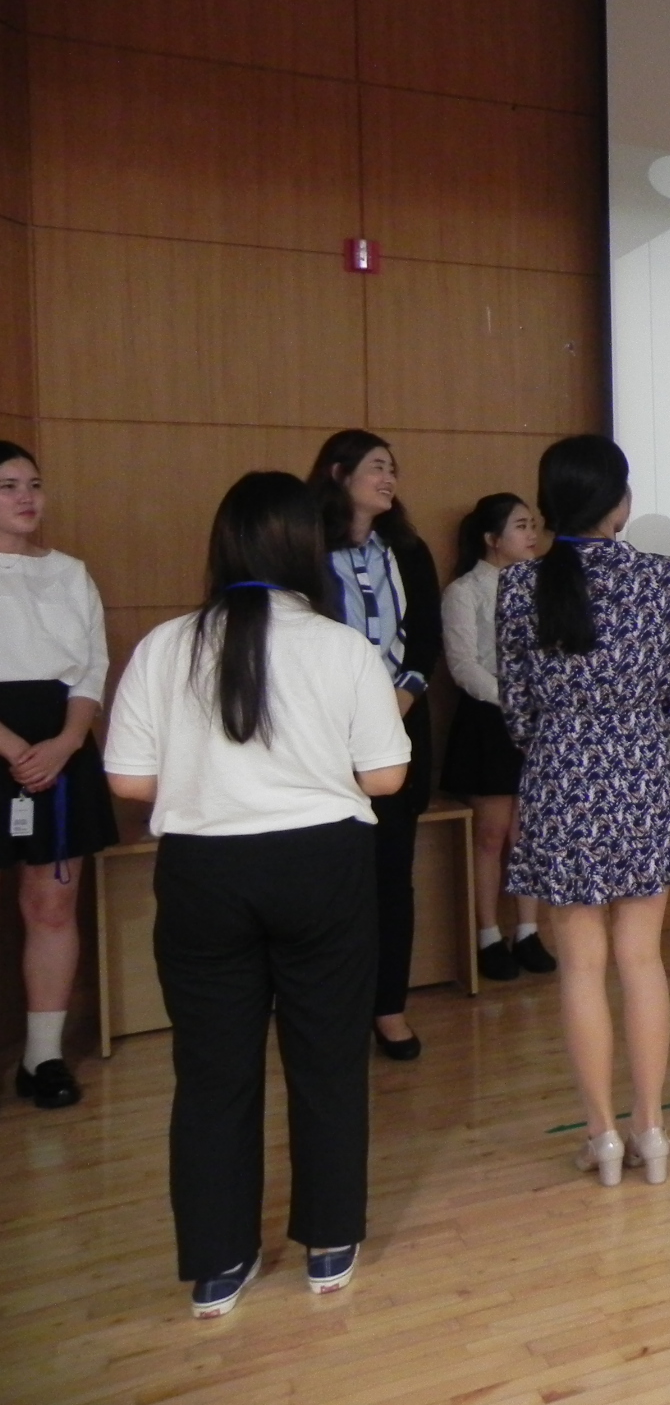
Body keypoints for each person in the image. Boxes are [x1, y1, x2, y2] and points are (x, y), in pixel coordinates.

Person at [103, 472, 412, 1317]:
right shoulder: (342, 647)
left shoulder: (166, 645)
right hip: (321, 867)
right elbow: (386, 776)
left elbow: (128, 781)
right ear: (306, 549)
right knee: (327, 1060)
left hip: (203, 873)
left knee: (211, 1072)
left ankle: (218, 1264)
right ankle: (329, 1243)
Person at [499, 435, 670, 1187]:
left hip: (559, 780)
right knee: (641, 959)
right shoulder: (661, 577)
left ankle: (603, 1137)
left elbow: (517, 710)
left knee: (580, 966)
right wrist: (633, 732)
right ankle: (652, 1129)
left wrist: (566, 738)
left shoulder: (520, 585)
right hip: (642, 774)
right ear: (619, 501)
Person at [307, 431, 442, 1061]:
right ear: (339, 474)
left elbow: (426, 637)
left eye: (393, 469)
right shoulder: (305, 548)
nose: (389, 479)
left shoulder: (407, 550)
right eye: (376, 468)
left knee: (392, 874)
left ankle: (389, 1007)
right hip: (321, 734)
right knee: (330, 876)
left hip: (400, 725)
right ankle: (332, 1008)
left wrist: (399, 704)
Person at [0, 441, 119, 1109]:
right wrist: (15, 747)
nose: (26, 497)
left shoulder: (70, 572)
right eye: (8, 485)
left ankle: (41, 1056)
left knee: (51, 903)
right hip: (11, 741)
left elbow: (91, 667)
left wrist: (67, 741)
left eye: (34, 484)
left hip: (61, 744)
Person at [442, 493, 553, 981]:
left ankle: (527, 930)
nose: (532, 534)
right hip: (488, 720)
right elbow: (463, 666)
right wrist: (512, 698)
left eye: (534, 524)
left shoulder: (541, 586)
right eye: (521, 526)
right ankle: (488, 934)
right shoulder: (464, 591)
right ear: (492, 539)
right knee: (490, 833)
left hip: (536, 719)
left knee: (526, 832)